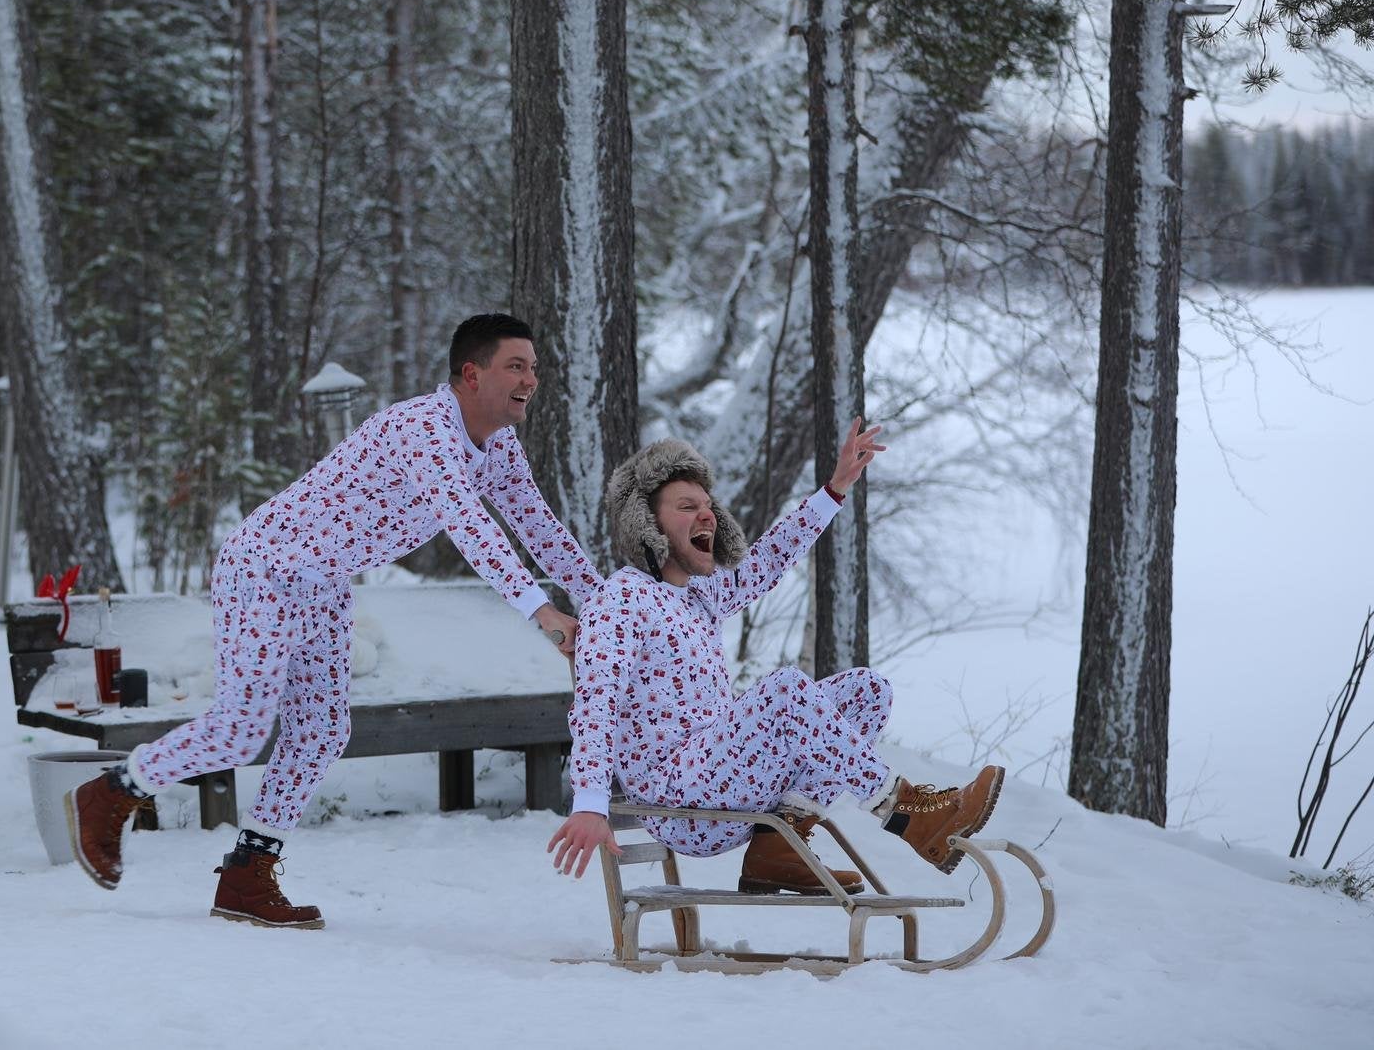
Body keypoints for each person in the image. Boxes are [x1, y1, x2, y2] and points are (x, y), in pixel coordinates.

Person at [70, 314, 603, 928]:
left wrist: (603, 605)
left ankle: (248, 873)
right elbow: (472, 529)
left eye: (534, 367)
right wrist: (544, 614)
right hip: (265, 569)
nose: (531, 379)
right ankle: (114, 791)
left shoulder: (499, 448)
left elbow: (540, 530)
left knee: (322, 729)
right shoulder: (424, 429)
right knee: (242, 728)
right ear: (471, 374)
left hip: (323, 584)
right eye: (517, 365)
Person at [545, 422, 1004, 894]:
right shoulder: (622, 599)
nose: (707, 517)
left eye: (708, 506)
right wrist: (589, 801)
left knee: (866, 692)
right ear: (648, 523)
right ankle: (907, 812)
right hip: (678, 800)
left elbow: (768, 560)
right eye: (687, 507)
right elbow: (594, 703)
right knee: (784, 690)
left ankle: (777, 847)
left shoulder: (699, 596)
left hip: (725, 779)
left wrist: (835, 488)